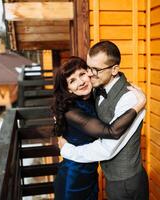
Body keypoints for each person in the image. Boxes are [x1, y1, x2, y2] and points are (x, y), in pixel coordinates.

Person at [59, 41, 149, 200]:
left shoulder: (130, 99)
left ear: (114, 69)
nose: (90, 74)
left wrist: (67, 150)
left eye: (96, 70)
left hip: (125, 182)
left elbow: (107, 148)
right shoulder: (96, 88)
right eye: (89, 68)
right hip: (100, 176)